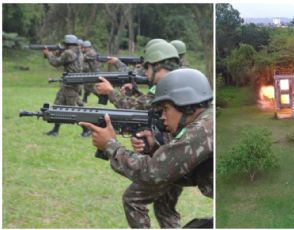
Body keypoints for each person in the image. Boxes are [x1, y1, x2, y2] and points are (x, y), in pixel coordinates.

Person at [79, 68, 213, 228]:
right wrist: (154, 149)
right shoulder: (207, 122)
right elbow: (185, 174)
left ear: (185, 105)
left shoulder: (204, 129)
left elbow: (152, 172)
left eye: (166, 109)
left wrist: (110, 145)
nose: (162, 116)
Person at [95, 41, 180, 110]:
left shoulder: (168, 88)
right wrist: (135, 92)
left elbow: (135, 107)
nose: (145, 73)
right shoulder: (170, 84)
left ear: (157, 66)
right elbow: (147, 102)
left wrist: (110, 92)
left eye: (147, 68)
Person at [42, 34, 91, 137]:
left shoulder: (68, 52)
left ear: (67, 44)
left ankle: (87, 129)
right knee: (58, 105)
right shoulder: (78, 52)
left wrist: (48, 54)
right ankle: (55, 130)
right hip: (70, 84)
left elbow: (55, 63)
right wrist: (57, 52)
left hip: (71, 84)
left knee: (72, 109)